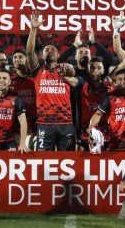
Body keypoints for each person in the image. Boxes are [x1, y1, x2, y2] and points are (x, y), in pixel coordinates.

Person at [26, 11, 78, 151]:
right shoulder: (38, 71)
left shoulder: (66, 70)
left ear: (58, 54)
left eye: (53, 49)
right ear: (42, 55)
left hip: (66, 122)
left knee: (68, 162)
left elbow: (76, 83)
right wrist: (34, 29)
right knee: (43, 161)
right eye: (46, 49)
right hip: (44, 123)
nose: (50, 51)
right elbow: (30, 52)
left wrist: (66, 77)